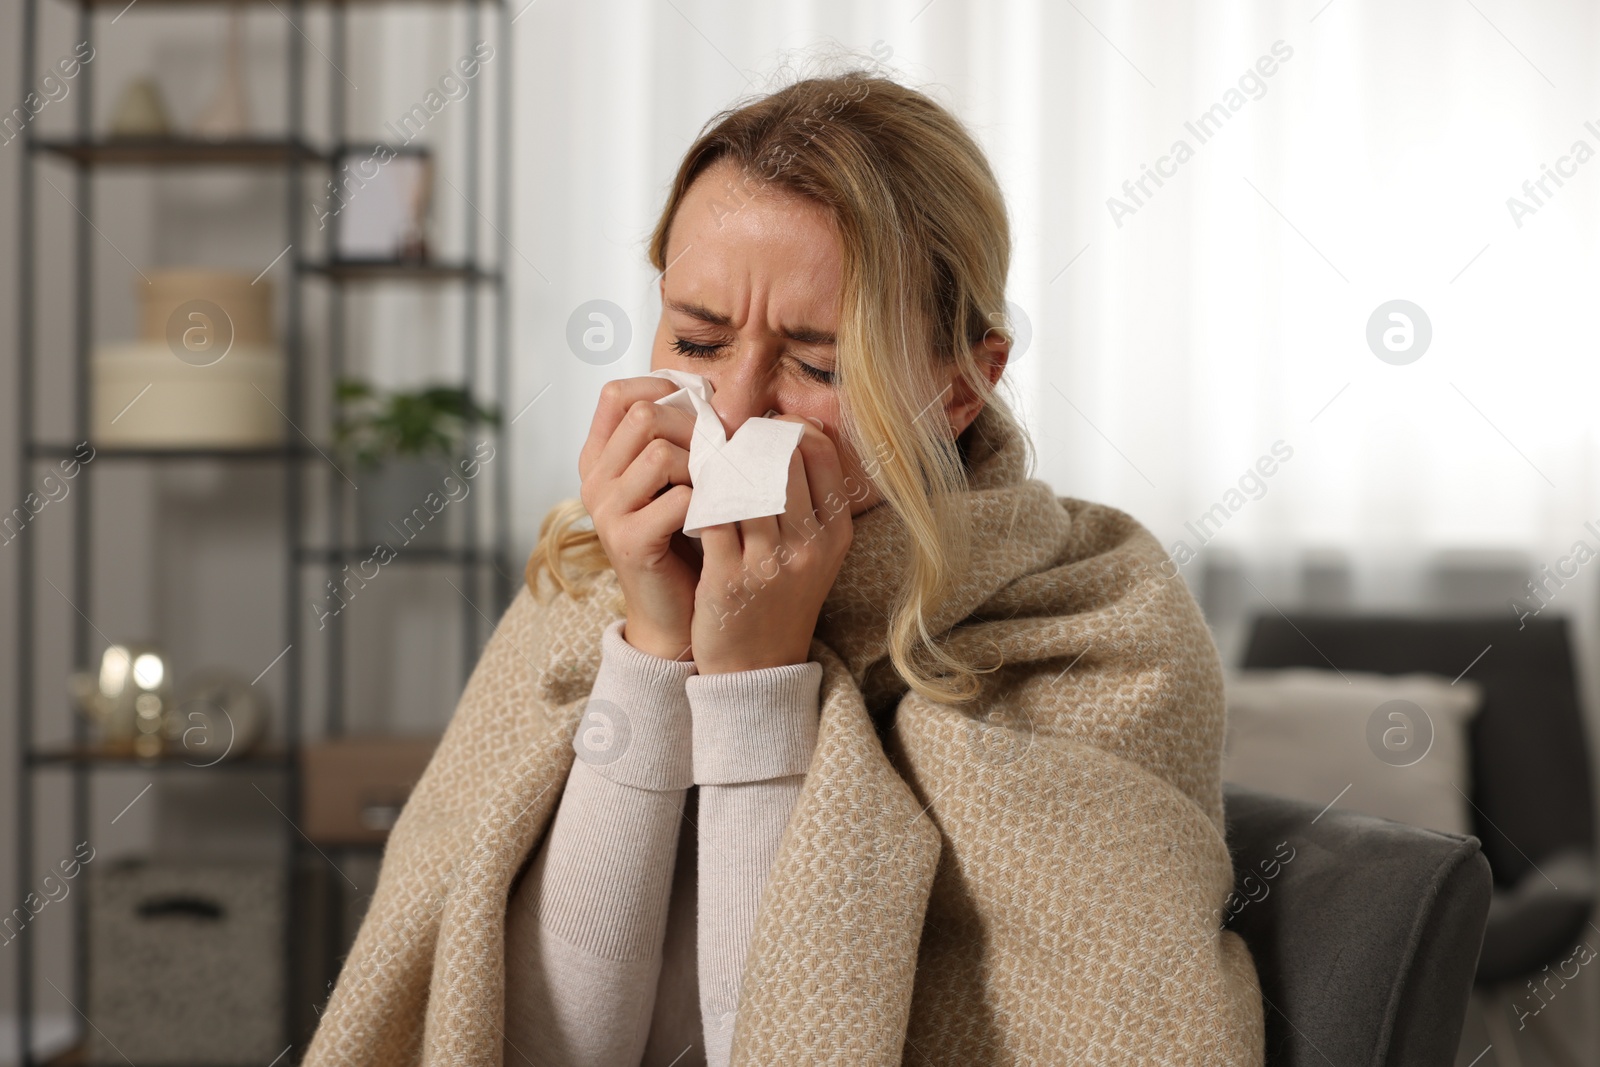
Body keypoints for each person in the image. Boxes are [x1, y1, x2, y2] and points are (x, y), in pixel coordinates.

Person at [303, 67, 1265, 1067]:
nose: (734, 407)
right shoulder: (585, 586)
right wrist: (655, 644)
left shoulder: (1092, 626)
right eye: (697, 338)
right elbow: (548, 1047)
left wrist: (755, 686)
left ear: (959, 388)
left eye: (821, 365)